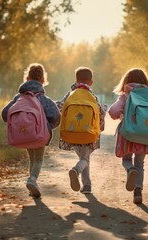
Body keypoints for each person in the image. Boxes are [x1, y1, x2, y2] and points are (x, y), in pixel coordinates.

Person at [1, 63, 61, 198]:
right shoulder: (42, 98)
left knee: (32, 158)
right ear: (43, 80)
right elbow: (56, 116)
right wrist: (48, 127)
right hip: (39, 135)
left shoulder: (19, 98)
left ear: (27, 78)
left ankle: (31, 186)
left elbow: (5, 113)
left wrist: (16, 125)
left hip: (23, 135)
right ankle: (32, 180)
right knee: (38, 159)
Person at [108, 68, 148, 204]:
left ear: (126, 81)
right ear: (145, 81)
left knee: (126, 159)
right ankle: (138, 192)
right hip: (146, 135)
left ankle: (130, 169)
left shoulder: (126, 95)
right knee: (140, 163)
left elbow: (113, 112)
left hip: (129, 134)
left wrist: (121, 115)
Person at [56, 66, 107, 194]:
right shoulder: (92, 96)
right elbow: (99, 113)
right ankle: (76, 170)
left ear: (76, 80)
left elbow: (59, 107)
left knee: (84, 158)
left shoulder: (70, 94)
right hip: (88, 134)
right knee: (85, 159)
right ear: (91, 82)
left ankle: (87, 185)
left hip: (72, 133)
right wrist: (101, 127)